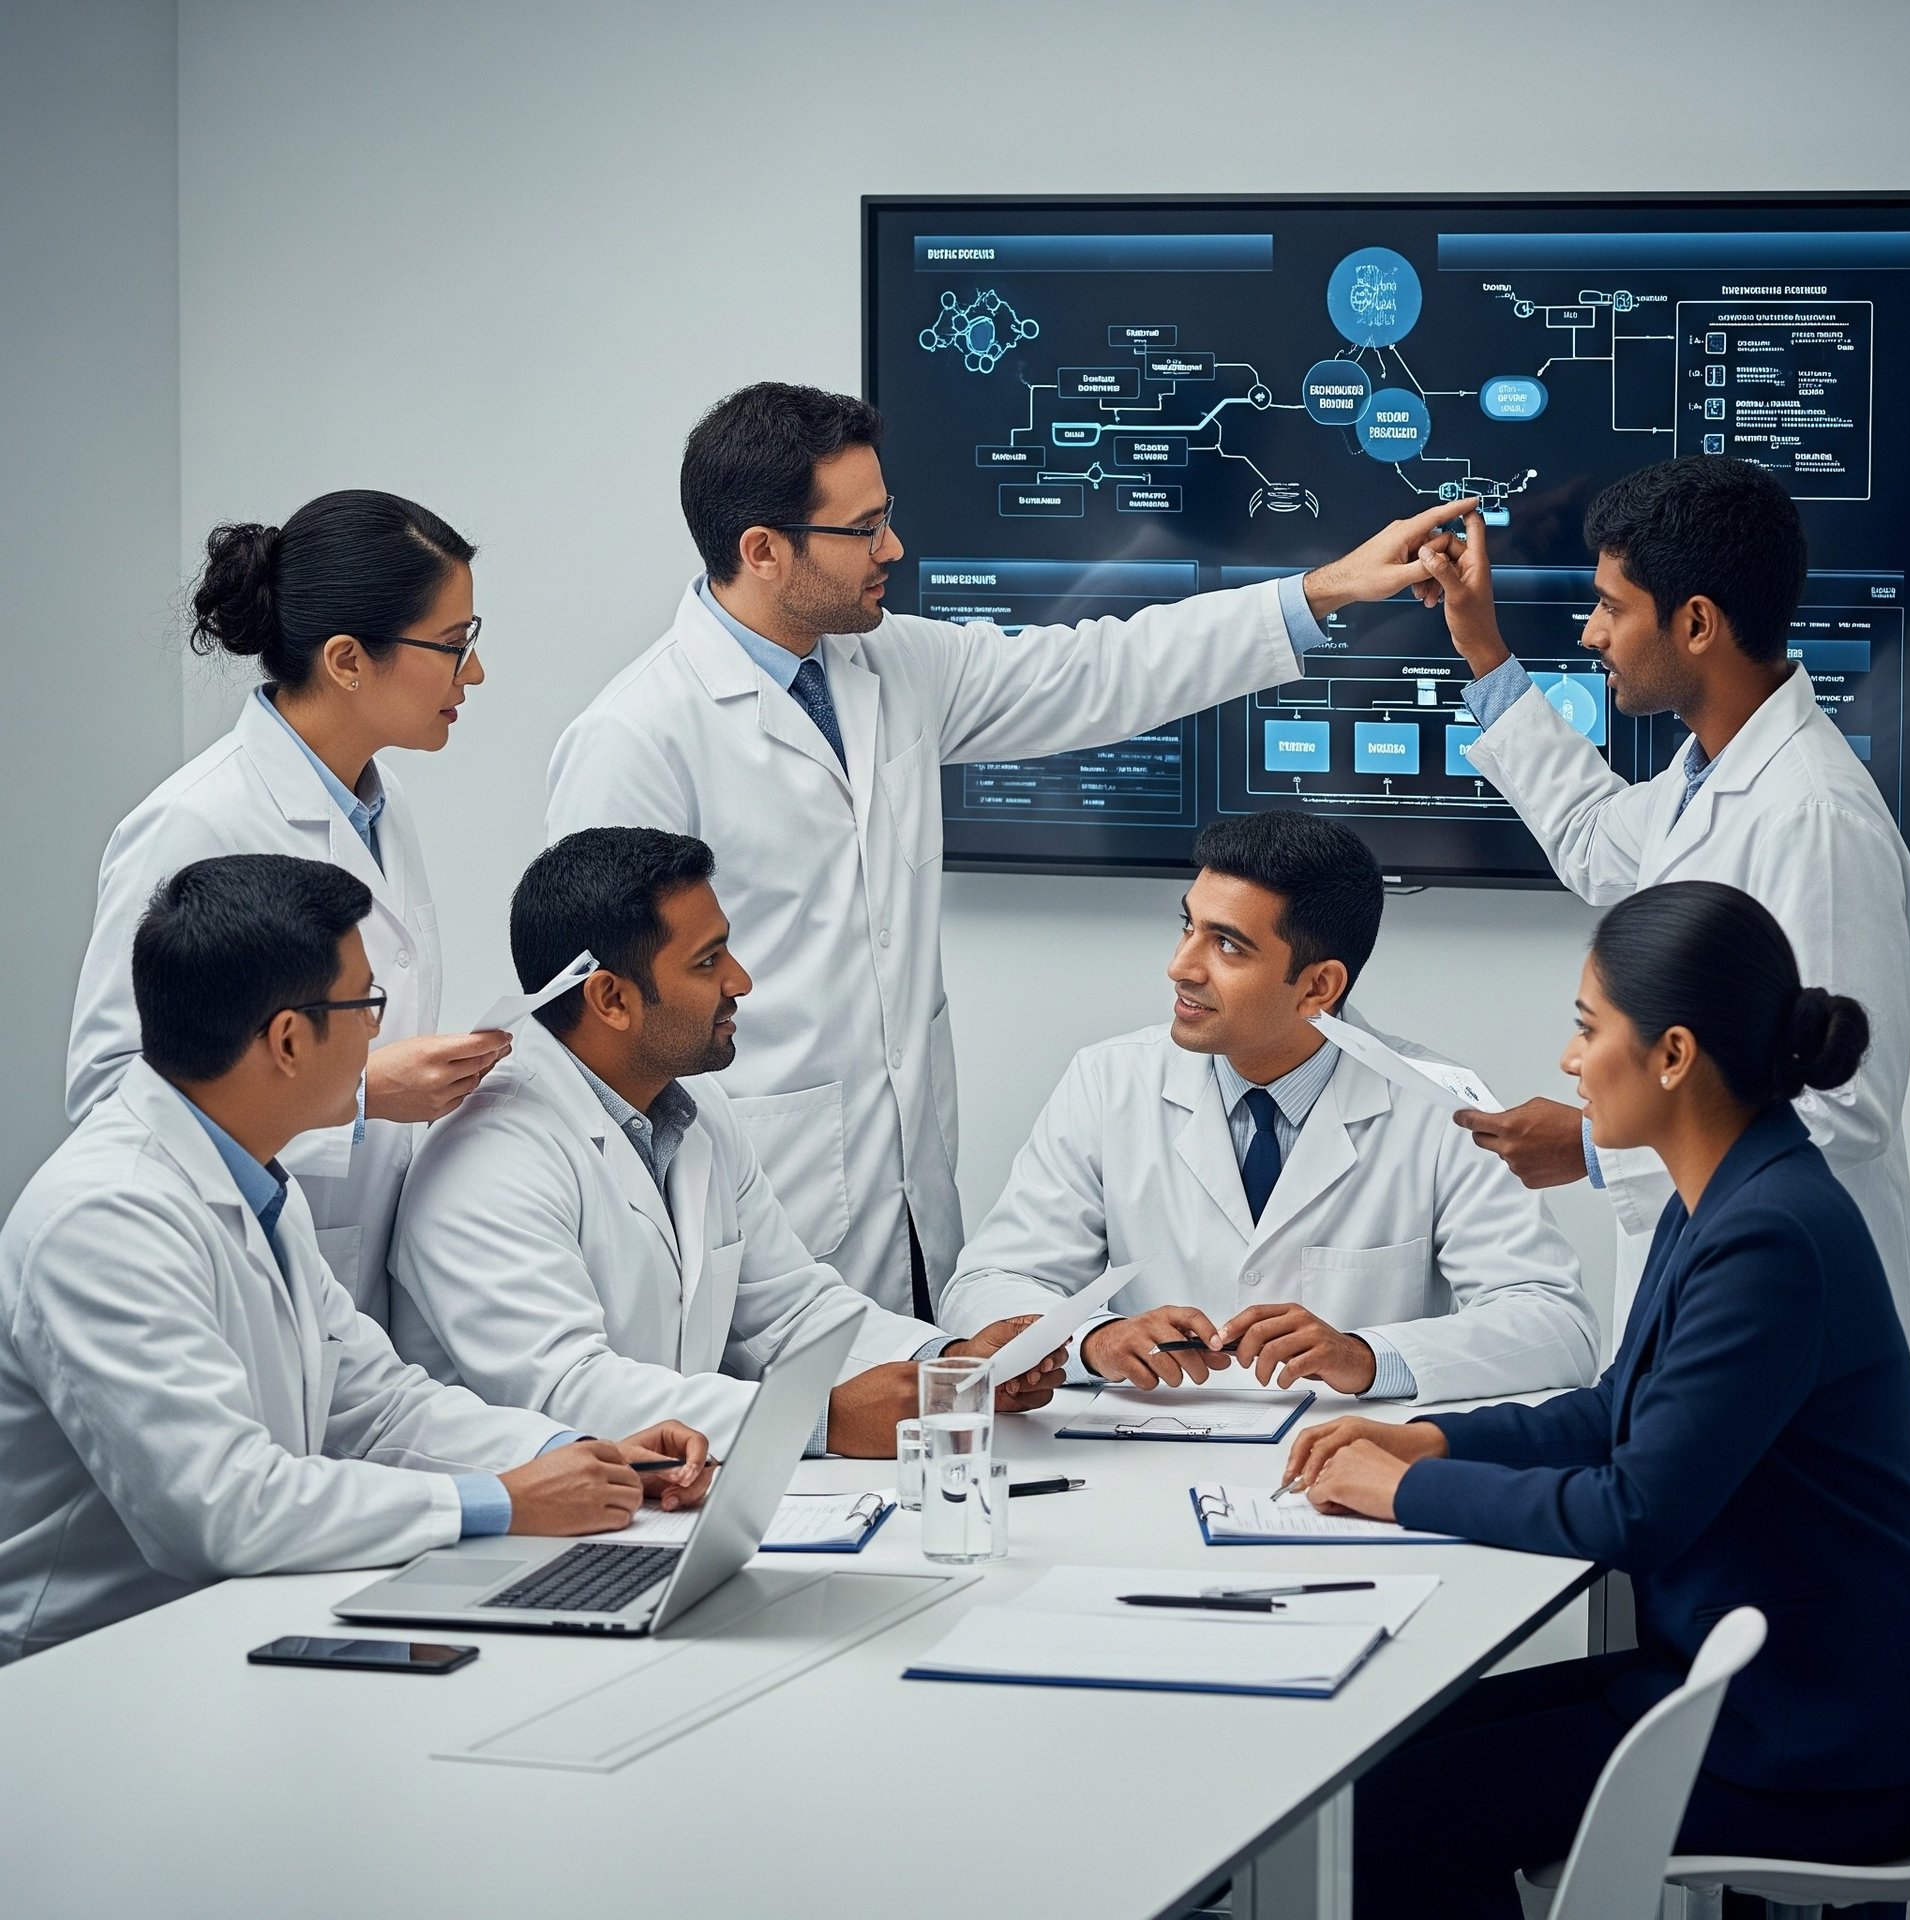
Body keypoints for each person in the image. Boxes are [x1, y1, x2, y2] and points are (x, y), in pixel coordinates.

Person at [547, 381, 1473, 1318]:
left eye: (889, 518)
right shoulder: (636, 737)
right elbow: (601, 1025)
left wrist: (1321, 592)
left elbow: (1098, 671)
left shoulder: (893, 665)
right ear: (762, 550)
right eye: (863, 529)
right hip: (745, 1210)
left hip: (905, 1200)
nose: (893, 550)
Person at [1284, 881, 1910, 1917]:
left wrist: (1395, 1495)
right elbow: (1613, 1407)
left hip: (1812, 1741)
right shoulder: (1723, 1194)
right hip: (1758, 1685)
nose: (1570, 1061)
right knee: (1384, 1752)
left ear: (1672, 1055)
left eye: (1587, 1030)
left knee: (1397, 1808)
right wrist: (1424, 1441)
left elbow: (1634, 1509)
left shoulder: (1770, 1235)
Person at [0, 855, 710, 1664]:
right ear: (290, 1040)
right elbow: (222, 1510)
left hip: (235, 1622)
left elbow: (380, 1408)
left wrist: (575, 1454)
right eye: (367, 1004)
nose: (382, 1031)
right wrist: (501, 1501)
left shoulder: (257, 1181)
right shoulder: (105, 1219)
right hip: (87, 1664)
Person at [1415, 457, 1910, 1348]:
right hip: (1720, 1279)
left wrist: (1596, 1152)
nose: (1588, 633)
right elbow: (1590, 834)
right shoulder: (1706, 775)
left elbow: (1847, 1107)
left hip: (1795, 1304)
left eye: (1610, 606)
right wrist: (1482, 648)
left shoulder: (1815, 816)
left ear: (1695, 623)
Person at [390, 828, 1064, 1455]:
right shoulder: (489, 1156)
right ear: (611, 999)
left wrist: (950, 1365)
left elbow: (791, 1309)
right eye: (708, 961)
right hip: (521, 1526)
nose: (739, 981)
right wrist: (822, 1419)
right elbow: (569, 1391)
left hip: (668, 1497)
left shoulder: (690, 1106)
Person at [940, 809, 1599, 1404]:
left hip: (1341, 1470)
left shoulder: (1435, 1109)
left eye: (1227, 945)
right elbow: (985, 1288)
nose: (1181, 966)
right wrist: (1093, 1340)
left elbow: (1557, 1325)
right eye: (1187, 926)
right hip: (1136, 1466)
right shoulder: (1109, 1082)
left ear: (1318, 985)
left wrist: (1368, 1357)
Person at [67, 491, 517, 1324]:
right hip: (238, 1281)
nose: (475, 673)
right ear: (348, 660)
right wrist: (356, 1095)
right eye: (455, 647)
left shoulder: (386, 805)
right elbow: (109, 1092)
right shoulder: (196, 821)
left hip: (363, 1279)